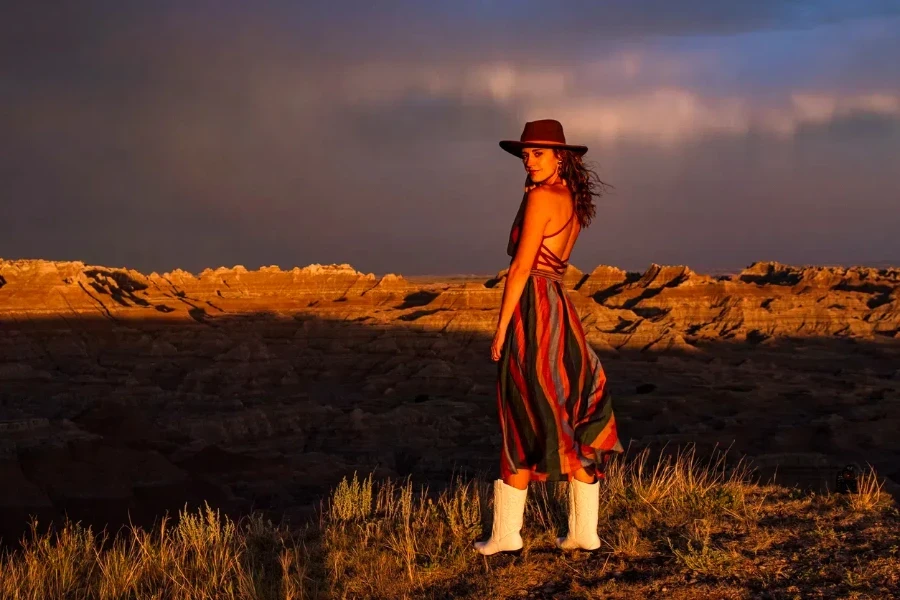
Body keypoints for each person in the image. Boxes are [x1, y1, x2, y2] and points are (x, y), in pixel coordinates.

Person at [474, 119, 624, 556]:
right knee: (565, 404)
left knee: (521, 405)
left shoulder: (542, 197)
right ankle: (583, 532)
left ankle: (506, 534)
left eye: (537, 153)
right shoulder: (570, 200)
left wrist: (501, 329)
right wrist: (527, 197)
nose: (529, 160)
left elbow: (518, 265)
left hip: (533, 307)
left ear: (561, 156)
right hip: (558, 304)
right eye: (525, 155)